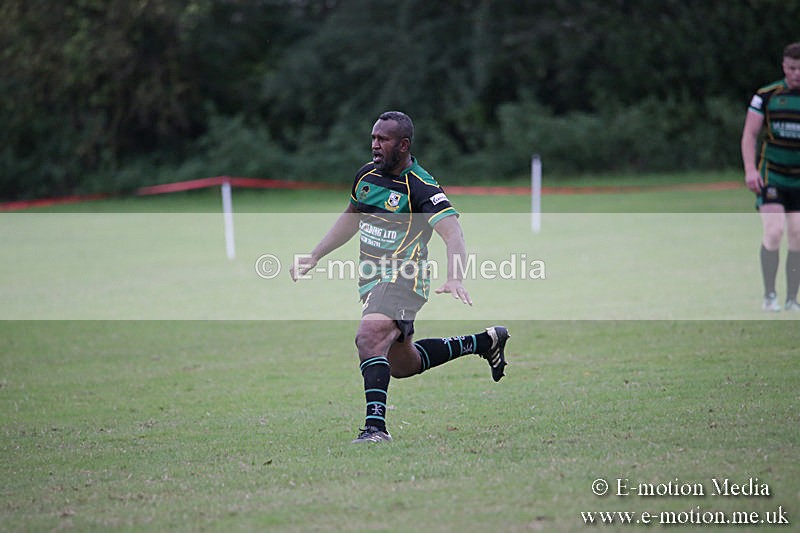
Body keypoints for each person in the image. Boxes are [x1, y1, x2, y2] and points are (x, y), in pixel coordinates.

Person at [290, 111, 510, 443]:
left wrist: (455, 278)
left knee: (368, 335)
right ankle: (484, 342)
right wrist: (315, 254)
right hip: (372, 280)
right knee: (401, 364)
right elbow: (351, 217)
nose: (375, 145)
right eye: (373, 138)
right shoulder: (366, 176)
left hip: (406, 277)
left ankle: (375, 430)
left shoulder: (421, 186)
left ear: (403, 145)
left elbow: (454, 235)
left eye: (383, 140)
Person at [741, 42, 800, 312]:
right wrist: (751, 169)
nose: (797, 73)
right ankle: (770, 296)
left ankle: (791, 300)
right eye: (792, 68)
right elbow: (750, 135)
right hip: (772, 174)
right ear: (783, 67)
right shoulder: (766, 96)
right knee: (774, 231)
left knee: (798, 234)